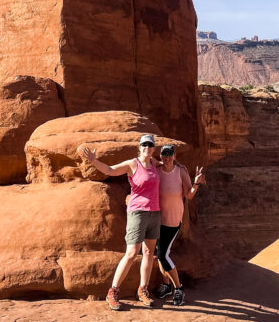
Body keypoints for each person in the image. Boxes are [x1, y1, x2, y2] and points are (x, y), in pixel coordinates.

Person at [81, 133, 161, 311]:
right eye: (144, 145)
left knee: (149, 253)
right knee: (132, 252)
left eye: (150, 145)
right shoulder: (133, 164)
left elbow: (168, 166)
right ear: (139, 147)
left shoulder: (155, 164)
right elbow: (109, 170)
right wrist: (94, 160)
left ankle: (143, 290)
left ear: (154, 149)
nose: (147, 147)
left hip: (154, 212)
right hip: (137, 212)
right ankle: (113, 291)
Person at [155, 144, 205, 307]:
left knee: (163, 255)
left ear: (174, 156)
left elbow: (189, 195)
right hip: (157, 220)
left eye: (170, 154)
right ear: (160, 156)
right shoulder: (157, 170)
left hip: (173, 220)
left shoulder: (180, 171)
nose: (167, 157)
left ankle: (179, 288)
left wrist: (196, 183)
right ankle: (167, 285)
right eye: (164, 154)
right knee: (161, 254)